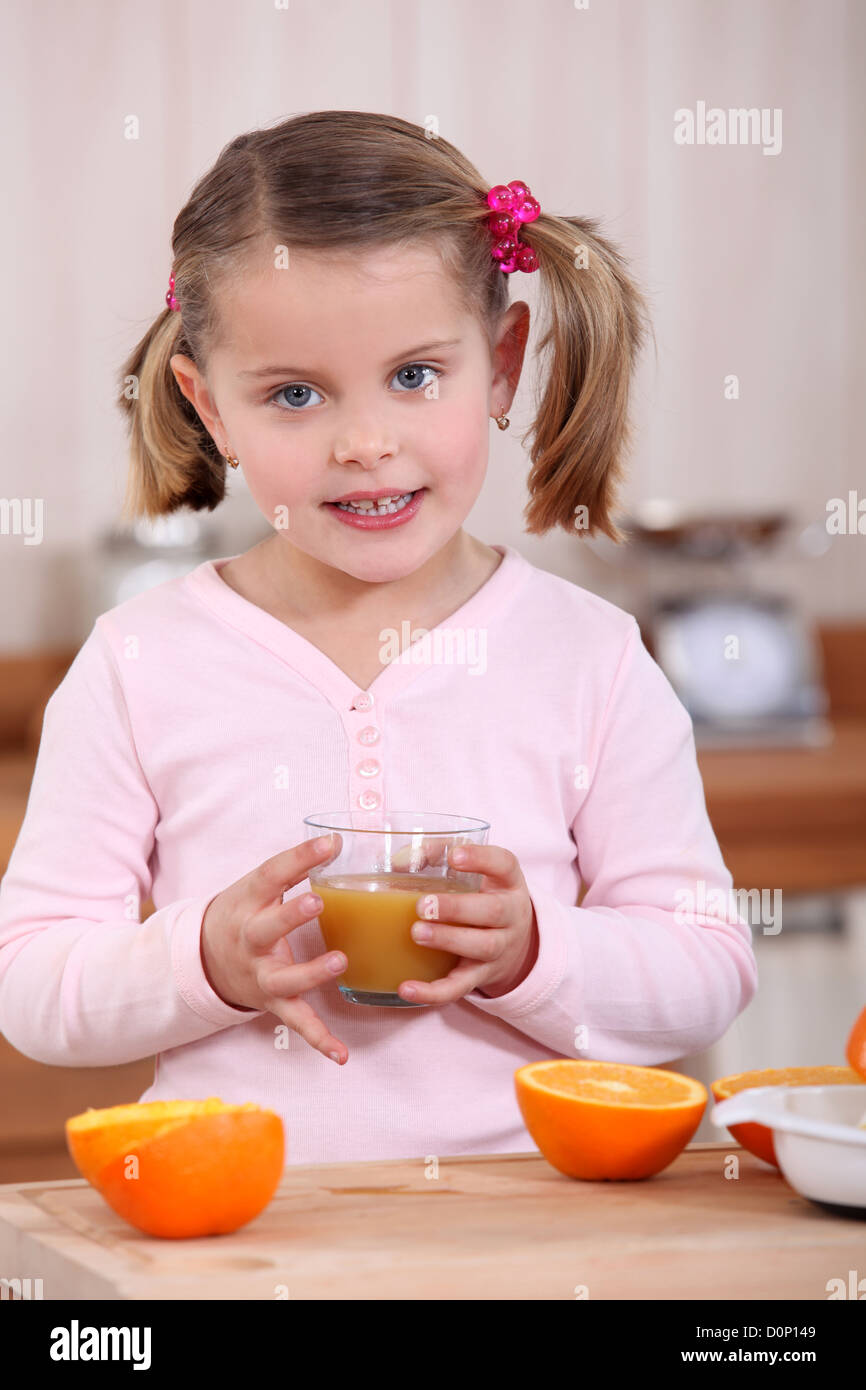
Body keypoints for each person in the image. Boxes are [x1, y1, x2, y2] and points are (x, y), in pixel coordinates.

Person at [0, 111, 757, 1165]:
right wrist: (204, 962)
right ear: (208, 409)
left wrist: (534, 947)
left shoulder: (591, 657)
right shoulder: (137, 664)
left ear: (499, 365)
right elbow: (30, 985)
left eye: (413, 375)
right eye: (294, 395)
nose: (364, 444)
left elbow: (708, 966)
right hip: (242, 1232)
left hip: (529, 1238)